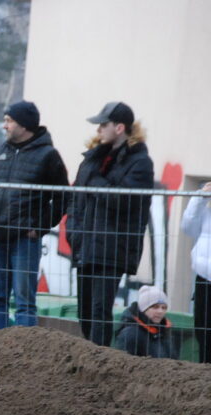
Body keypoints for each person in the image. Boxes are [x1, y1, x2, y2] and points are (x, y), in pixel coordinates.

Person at [0, 100, 69, 328]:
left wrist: (39, 227)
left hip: (25, 239)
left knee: (25, 302)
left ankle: (25, 349)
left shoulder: (48, 156)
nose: (4, 125)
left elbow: (63, 197)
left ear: (24, 125)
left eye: (9, 121)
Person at [66, 101, 154, 346]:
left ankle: (100, 360)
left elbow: (124, 200)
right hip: (86, 244)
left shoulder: (140, 162)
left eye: (103, 125)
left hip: (112, 249)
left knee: (99, 311)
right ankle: (91, 355)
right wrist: (73, 231)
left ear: (119, 127)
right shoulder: (92, 159)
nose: (98, 130)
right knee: (85, 312)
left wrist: (96, 182)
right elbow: (75, 199)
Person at [182, 181, 211, 363]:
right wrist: (200, 198)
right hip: (204, 276)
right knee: (203, 331)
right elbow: (188, 228)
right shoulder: (205, 208)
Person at [113, 285, 178, 359]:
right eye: (155, 307)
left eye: (164, 308)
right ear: (143, 309)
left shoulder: (164, 332)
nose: (160, 311)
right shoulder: (131, 334)